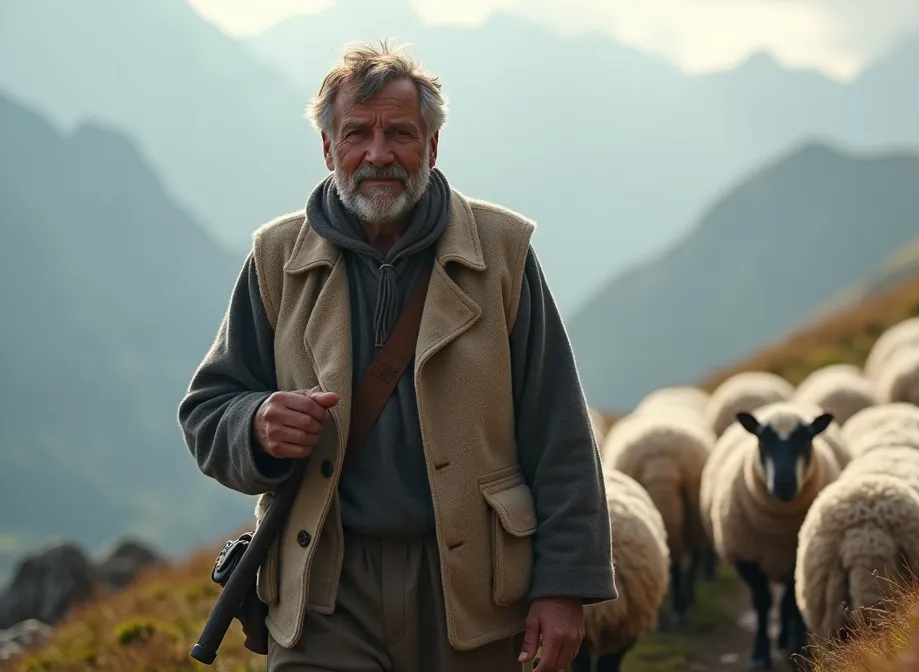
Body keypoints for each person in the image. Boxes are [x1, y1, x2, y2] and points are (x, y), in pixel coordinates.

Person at [178, 39, 616, 671]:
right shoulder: (276, 258)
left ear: (432, 147)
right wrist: (256, 424)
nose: (378, 155)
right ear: (328, 148)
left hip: (473, 588)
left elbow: (560, 430)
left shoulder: (503, 252)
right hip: (326, 588)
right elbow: (207, 410)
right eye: (357, 133)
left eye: (400, 134)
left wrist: (564, 585)